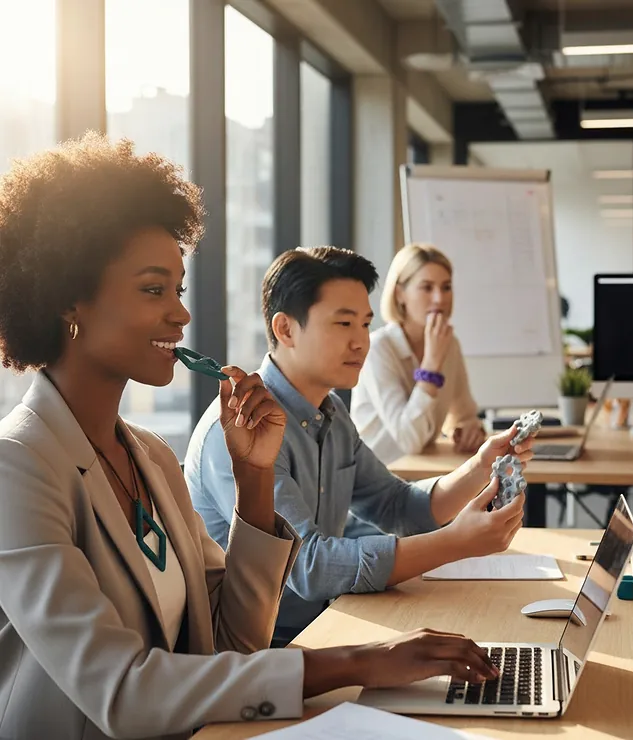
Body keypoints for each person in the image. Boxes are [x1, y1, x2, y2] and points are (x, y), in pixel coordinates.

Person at [0, 135, 498, 740]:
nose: (181, 315)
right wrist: (358, 661)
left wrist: (255, 479)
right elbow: (122, 692)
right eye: (154, 290)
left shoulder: (150, 456)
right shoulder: (17, 466)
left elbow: (231, 641)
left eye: (178, 291)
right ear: (66, 300)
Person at [186, 246, 533, 648]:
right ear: (285, 330)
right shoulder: (241, 427)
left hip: (320, 627)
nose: (360, 342)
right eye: (343, 323)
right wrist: (455, 542)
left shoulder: (330, 413)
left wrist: (478, 465)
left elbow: (396, 505)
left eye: (365, 324)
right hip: (256, 655)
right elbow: (308, 568)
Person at [350, 243, 486, 465]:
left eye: (446, 287)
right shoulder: (378, 348)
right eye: (427, 287)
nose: (439, 299)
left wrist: (470, 430)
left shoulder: (449, 344)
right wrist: (431, 365)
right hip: (378, 481)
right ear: (400, 293)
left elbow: (463, 416)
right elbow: (409, 441)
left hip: (422, 473)